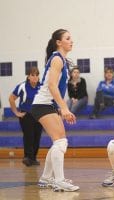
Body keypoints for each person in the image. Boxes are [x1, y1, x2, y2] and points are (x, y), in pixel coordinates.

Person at [31, 29, 79, 192]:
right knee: (60, 142)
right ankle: (58, 180)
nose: (71, 41)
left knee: (59, 142)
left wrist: (60, 107)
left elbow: (56, 87)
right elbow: (51, 86)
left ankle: (46, 178)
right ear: (59, 42)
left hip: (48, 105)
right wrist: (64, 108)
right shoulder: (57, 59)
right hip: (42, 104)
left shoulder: (62, 60)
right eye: (68, 38)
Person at [9, 66, 43, 166]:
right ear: (28, 76)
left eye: (37, 75)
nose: (35, 77)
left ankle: (33, 158)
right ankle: (27, 157)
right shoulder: (22, 86)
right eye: (33, 75)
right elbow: (11, 98)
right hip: (26, 115)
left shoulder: (42, 87)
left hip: (39, 115)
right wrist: (16, 113)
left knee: (37, 137)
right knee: (29, 136)